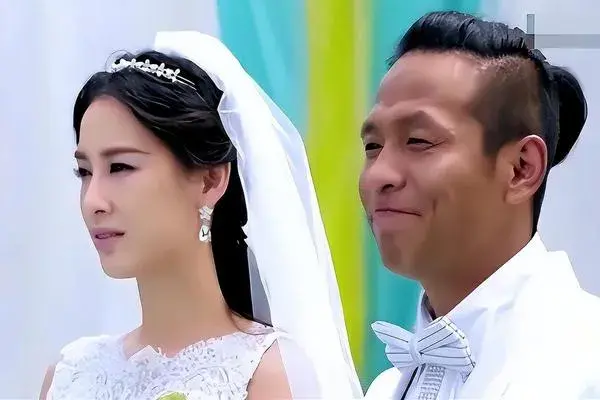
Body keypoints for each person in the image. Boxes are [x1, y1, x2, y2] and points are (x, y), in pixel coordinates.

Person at [40, 31, 362, 400]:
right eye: (84, 172)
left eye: (121, 167)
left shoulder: (267, 374)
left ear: (210, 180)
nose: (93, 200)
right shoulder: (70, 374)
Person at [360, 11, 600, 400]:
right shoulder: (386, 388)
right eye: (372, 146)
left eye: (419, 141)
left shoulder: (586, 362)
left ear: (521, 168)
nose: (378, 175)